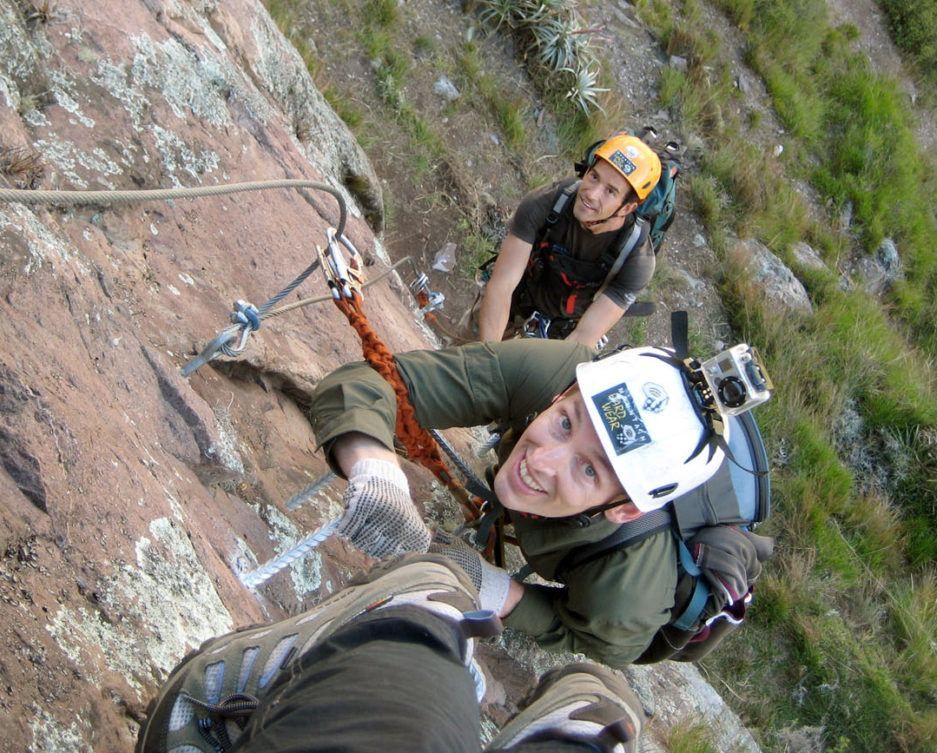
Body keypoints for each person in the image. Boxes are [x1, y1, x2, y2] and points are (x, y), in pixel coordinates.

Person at [312, 338, 771, 667]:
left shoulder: (622, 592)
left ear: (625, 509)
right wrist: (374, 468)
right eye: (565, 423)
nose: (541, 460)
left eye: (589, 469)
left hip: (638, 581)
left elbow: (592, 641)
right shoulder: (564, 372)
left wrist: (502, 592)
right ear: (563, 393)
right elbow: (380, 383)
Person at [136, 553, 645, 753]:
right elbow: (458, 378)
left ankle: (420, 622)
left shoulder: (634, 595)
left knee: (415, 683)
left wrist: (508, 596)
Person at [475, 134, 661, 348]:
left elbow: (583, 339)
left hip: (559, 331)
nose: (591, 194)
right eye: (594, 177)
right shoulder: (546, 202)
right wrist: (487, 359)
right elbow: (501, 286)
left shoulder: (635, 260)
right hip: (517, 295)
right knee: (465, 351)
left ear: (627, 208)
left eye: (610, 191)